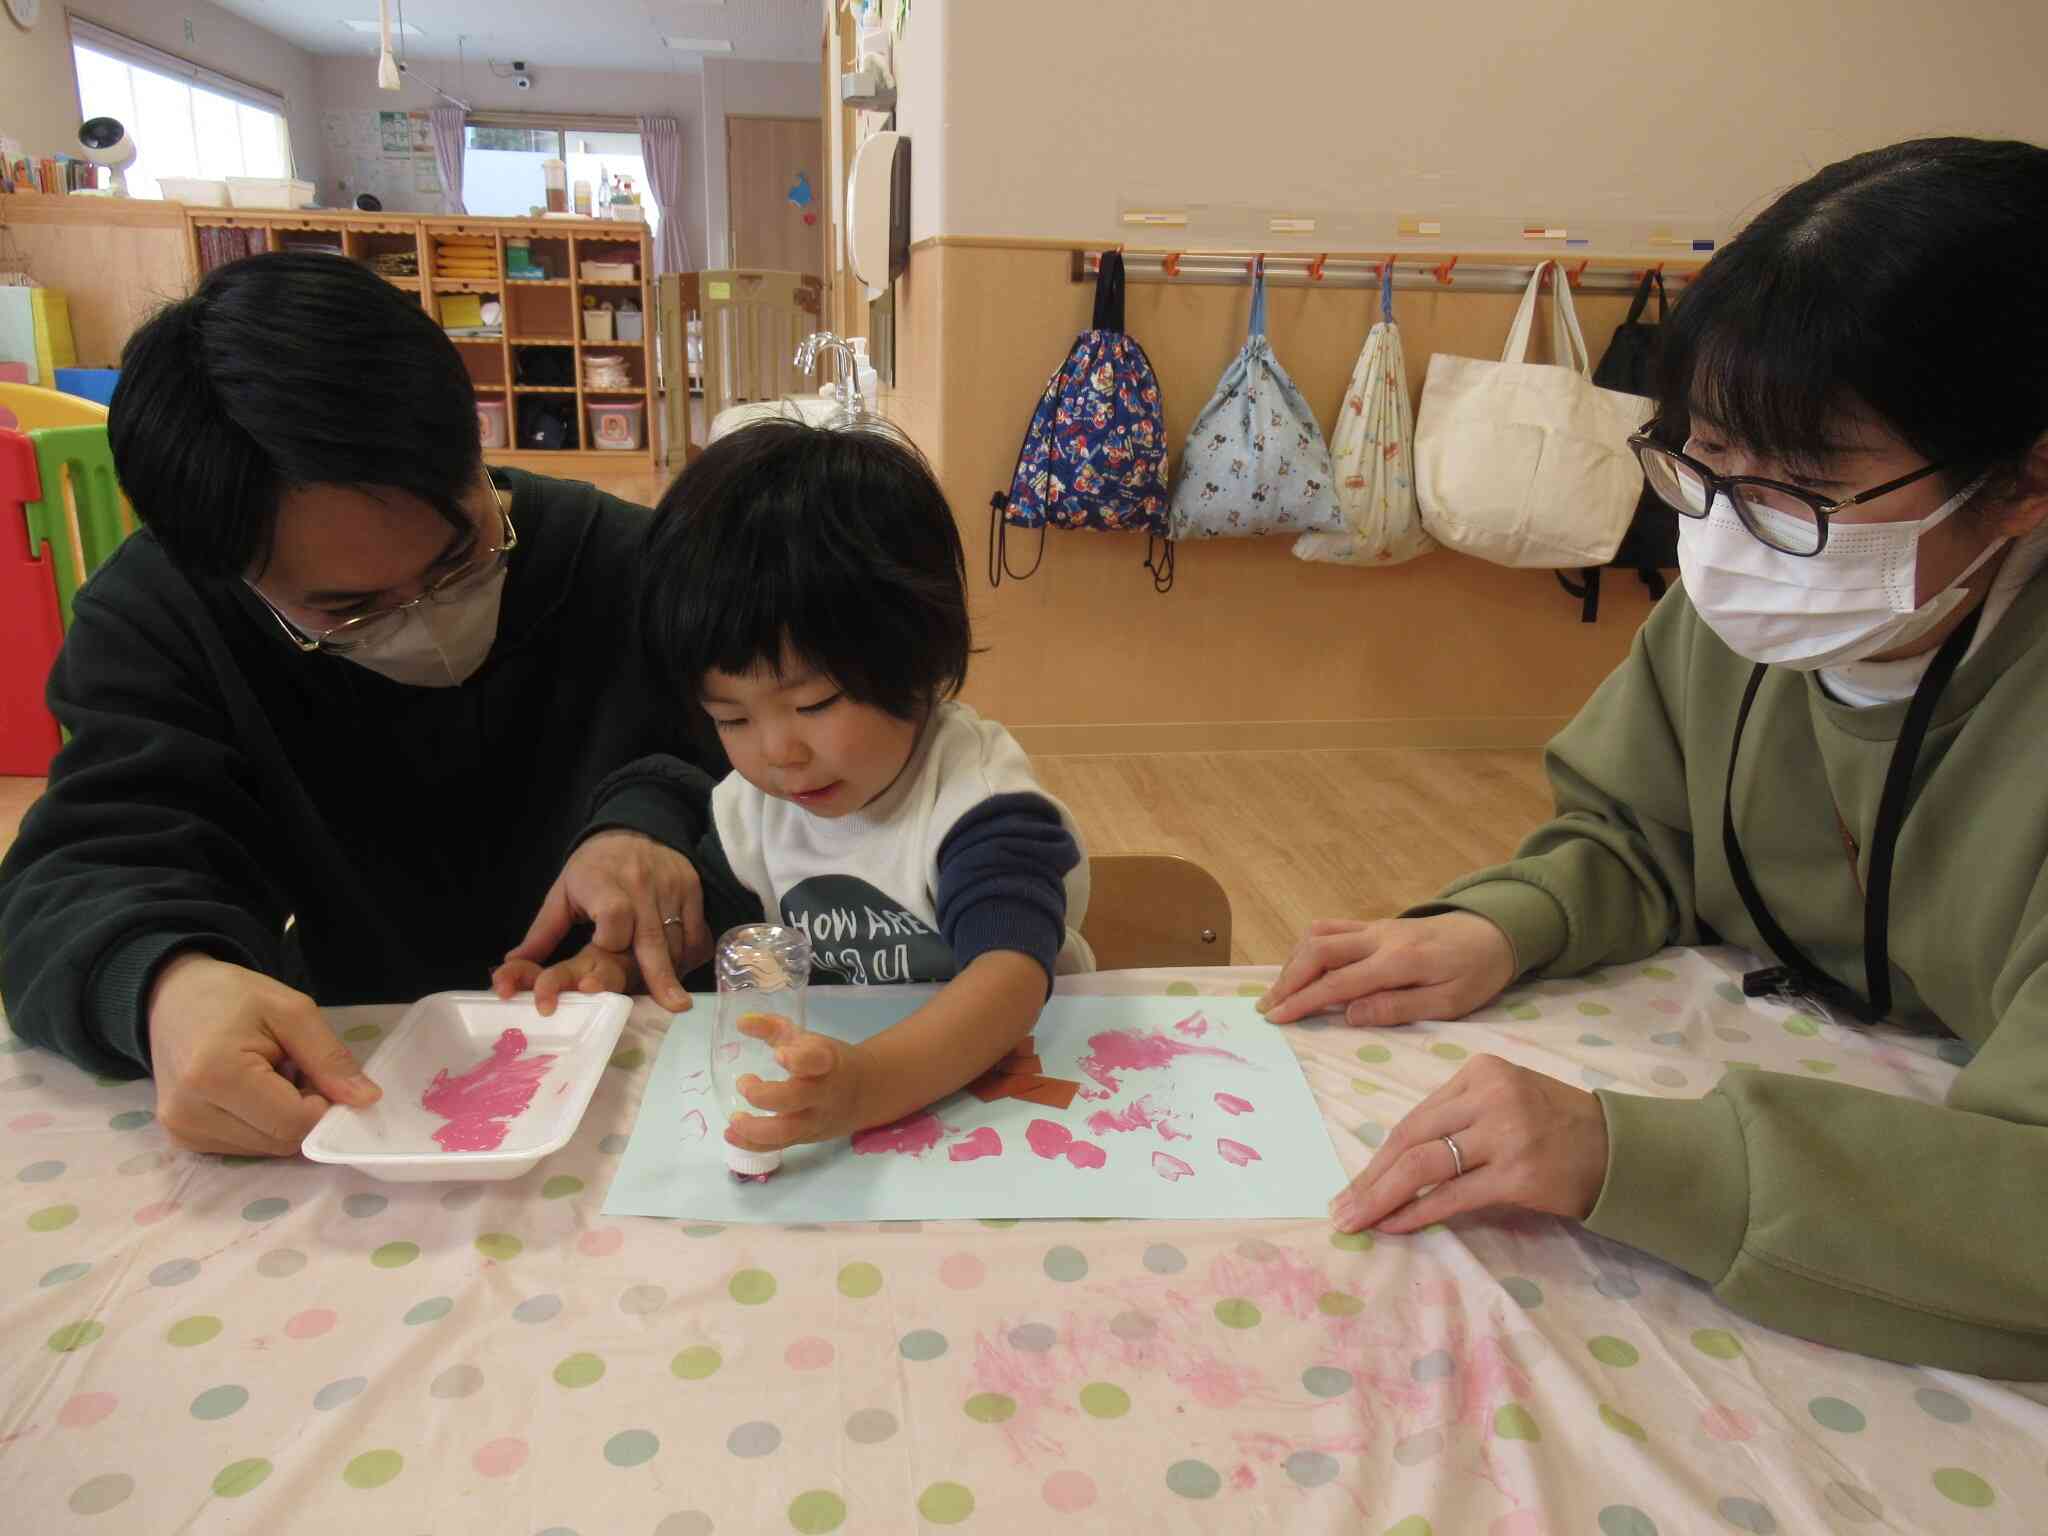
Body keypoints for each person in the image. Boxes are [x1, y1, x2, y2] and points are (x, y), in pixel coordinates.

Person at [1259, 137, 2048, 1378]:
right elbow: (1641, 831)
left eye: (1801, 485)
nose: (1729, 531)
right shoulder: (1749, 611)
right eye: (1707, 456)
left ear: (2022, 478)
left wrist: (1635, 1159)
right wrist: (1505, 922)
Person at [0, 252, 724, 1157]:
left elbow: (783, 777)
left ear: (472, 445)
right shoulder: (165, 619)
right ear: (226, 575)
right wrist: (164, 983)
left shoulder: (632, 565)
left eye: (461, 558)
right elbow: (87, 868)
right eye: (348, 609)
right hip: (358, 1081)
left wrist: (656, 824)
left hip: (650, 1077)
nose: (425, 616)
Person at [497, 419, 1093, 1155]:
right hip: (835, 1088)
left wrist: (870, 1084)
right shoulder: (758, 809)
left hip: (1000, 1087)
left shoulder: (978, 803)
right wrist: (618, 964)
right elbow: (719, 932)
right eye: (731, 718)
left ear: (921, 657)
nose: (779, 753)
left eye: (814, 704)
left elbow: (1010, 978)